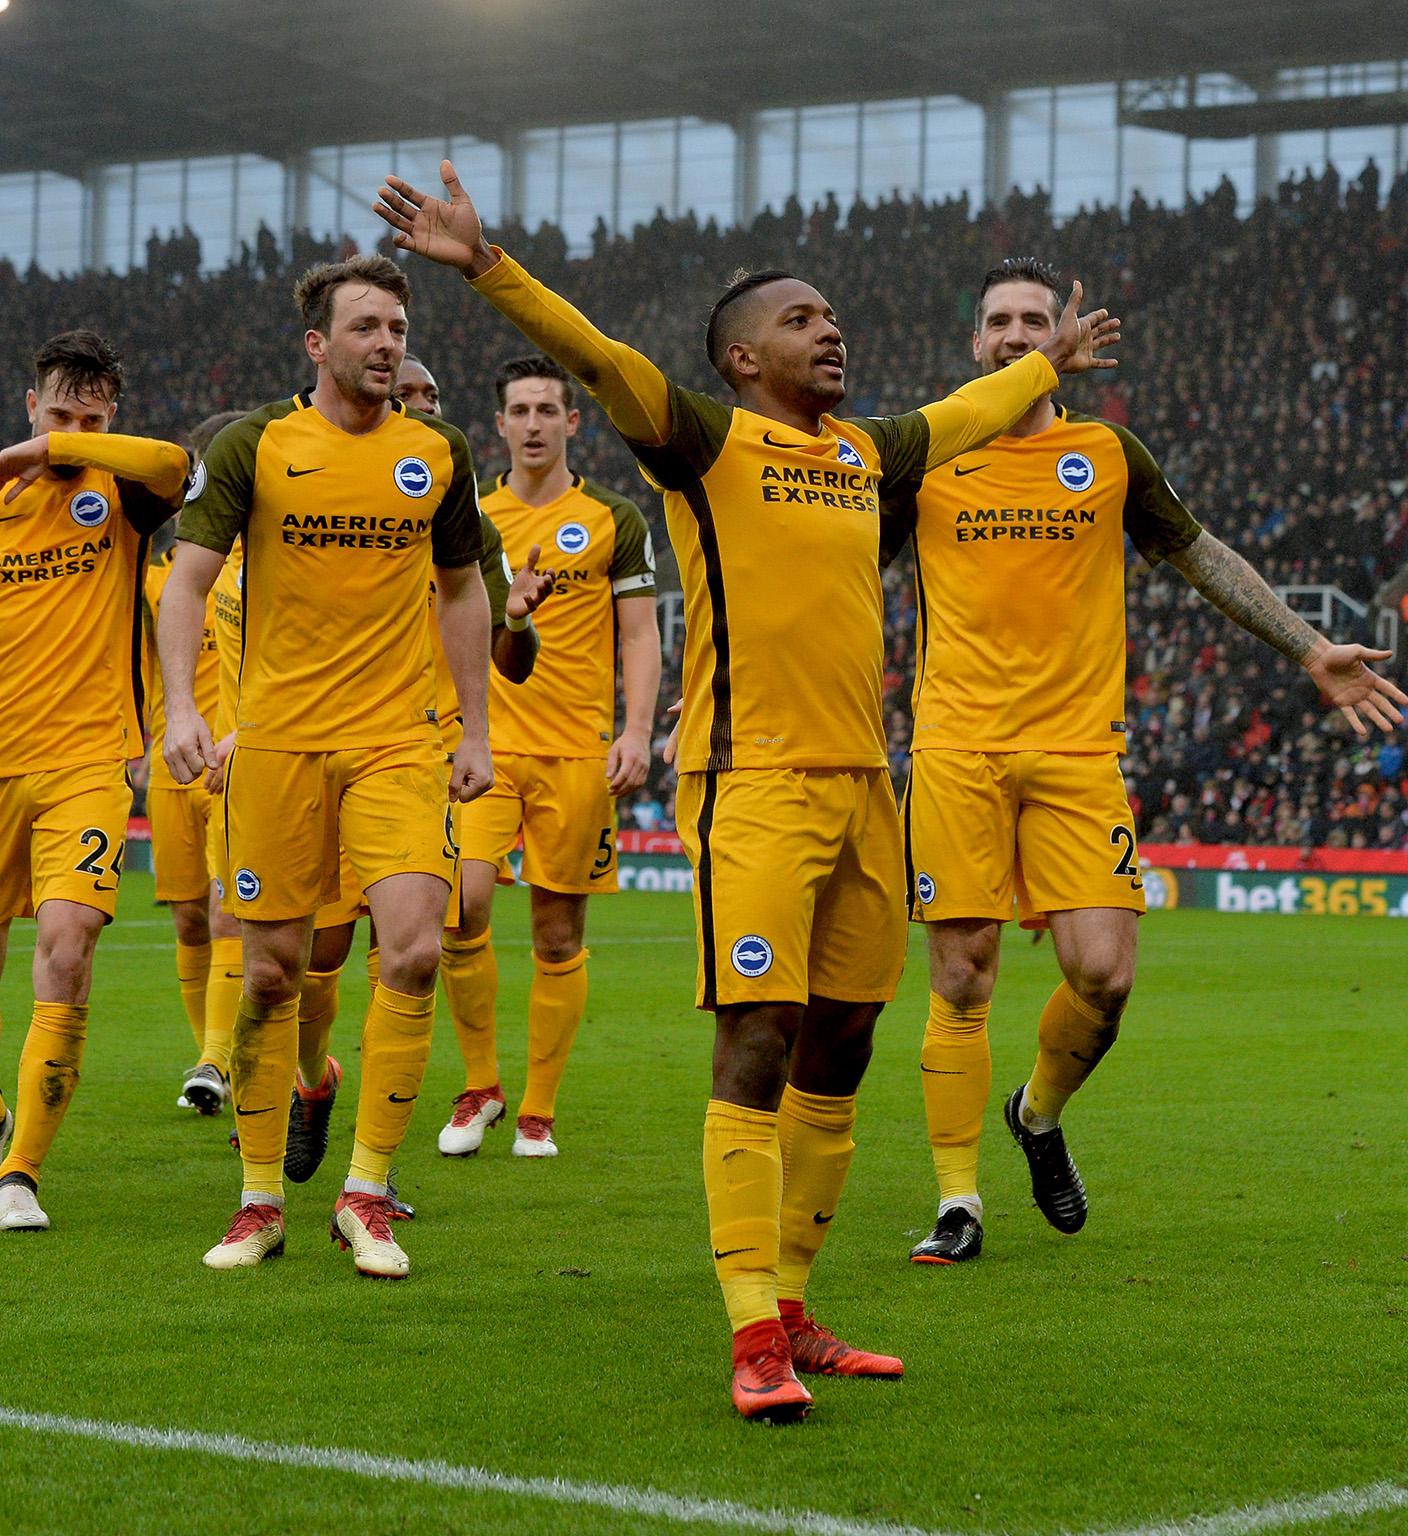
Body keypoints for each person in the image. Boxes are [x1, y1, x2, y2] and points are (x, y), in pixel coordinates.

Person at [375, 161, 1118, 1421]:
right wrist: (487, 267)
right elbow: (601, 356)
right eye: (799, 319)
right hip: (751, 781)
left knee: (843, 1038)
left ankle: (792, 1302)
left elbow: (971, 408)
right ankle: (747, 1333)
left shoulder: (869, 454)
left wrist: (1051, 363)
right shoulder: (706, 443)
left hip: (866, 789)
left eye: (832, 316)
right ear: (738, 358)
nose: (829, 330)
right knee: (756, 1038)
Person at [882, 259, 1408, 1266]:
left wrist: (1307, 647)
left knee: (1104, 976)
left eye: (1034, 319)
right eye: (998, 320)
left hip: (1079, 750)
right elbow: (846, 574)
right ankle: (958, 1204)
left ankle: (1034, 1114)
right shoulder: (925, 456)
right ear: (974, 343)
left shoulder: (1107, 454)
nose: (1015, 334)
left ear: (1060, 339)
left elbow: (1201, 555)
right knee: (959, 977)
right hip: (955, 746)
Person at [156, 256, 495, 1280]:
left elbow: (465, 589)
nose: (387, 343)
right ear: (318, 345)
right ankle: (259, 1200)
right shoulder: (261, 445)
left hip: (397, 742)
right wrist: (181, 707)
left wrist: (474, 729)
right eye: (366, 328)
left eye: (396, 326)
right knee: (268, 973)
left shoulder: (436, 449)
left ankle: (364, 1193)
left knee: (415, 952)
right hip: (275, 746)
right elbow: (187, 584)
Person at [0, 329, 192, 1233]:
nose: (70, 431)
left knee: (67, 952)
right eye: (57, 413)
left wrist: (61, 449)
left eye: (91, 419)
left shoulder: (120, 490)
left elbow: (179, 464)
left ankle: (21, 1172)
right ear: (28, 403)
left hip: (86, 763)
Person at [436, 354, 660, 1160]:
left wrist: (635, 733)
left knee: (558, 935)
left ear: (573, 422)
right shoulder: (470, 515)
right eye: (518, 410)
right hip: (485, 746)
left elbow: (639, 633)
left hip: (577, 753)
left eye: (547, 410)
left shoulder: (612, 517)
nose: (532, 423)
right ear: (498, 424)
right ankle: (481, 1084)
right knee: (462, 909)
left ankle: (537, 1108)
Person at [139, 410, 245, 1114]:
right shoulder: (154, 577)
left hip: (240, 763)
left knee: (229, 915)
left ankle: (214, 1059)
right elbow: (122, 665)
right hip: (169, 766)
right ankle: (211, 1063)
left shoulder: (266, 559)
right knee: (188, 921)